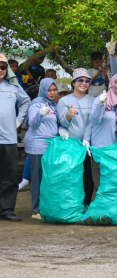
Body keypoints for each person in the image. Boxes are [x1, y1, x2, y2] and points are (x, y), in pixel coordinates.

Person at [85, 74, 117, 189]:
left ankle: (113, 207)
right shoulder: (102, 98)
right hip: (100, 149)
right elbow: (94, 120)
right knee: (100, 184)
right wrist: (101, 104)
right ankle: (102, 207)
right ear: (111, 83)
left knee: (114, 183)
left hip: (116, 150)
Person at [57, 69, 95, 207]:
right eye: (80, 80)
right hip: (69, 145)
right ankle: (70, 204)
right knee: (70, 176)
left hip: (86, 145)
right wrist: (68, 115)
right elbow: (62, 123)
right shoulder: (64, 101)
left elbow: (92, 122)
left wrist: (87, 139)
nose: (83, 83)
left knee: (87, 176)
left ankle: (85, 204)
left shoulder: (93, 100)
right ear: (73, 83)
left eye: (87, 81)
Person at [24, 78, 60, 220]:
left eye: (54, 90)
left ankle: (46, 207)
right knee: (38, 178)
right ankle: (36, 210)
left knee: (48, 179)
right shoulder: (36, 104)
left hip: (50, 146)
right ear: (43, 90)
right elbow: (32, 124)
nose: (52, 93)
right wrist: (40, 114)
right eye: (49, 90)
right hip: (37, 145)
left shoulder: (53, 105)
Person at [0, 54, 30, 222]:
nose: (0, 70)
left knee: (10, 177)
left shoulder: (13, 87)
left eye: (3, 67)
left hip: (9, 139)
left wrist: (18, 121)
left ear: (7, 70)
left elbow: (26, 101)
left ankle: (6, 210)